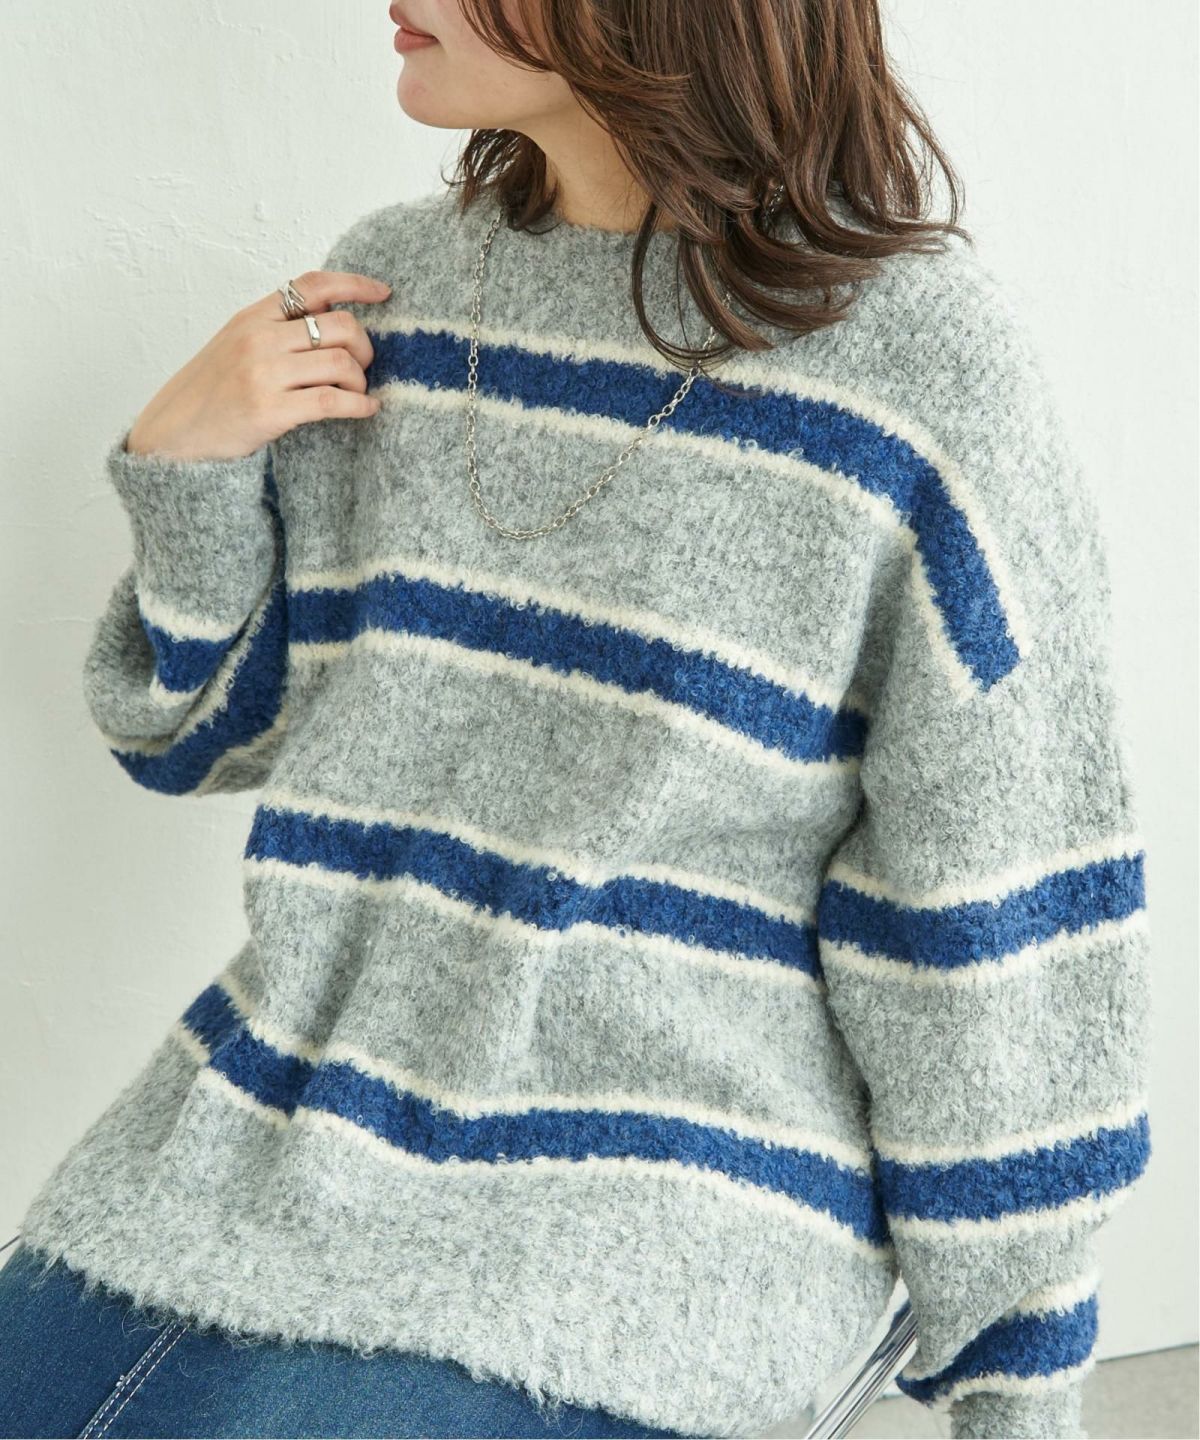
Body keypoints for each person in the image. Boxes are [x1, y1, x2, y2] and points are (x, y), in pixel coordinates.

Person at [0, 0, 1153, 1437]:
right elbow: (188, 735)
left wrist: (1016, 1377)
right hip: (266, 1120)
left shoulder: (918, 368)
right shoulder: (398, 292)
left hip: (668, 1195)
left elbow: (991, 902)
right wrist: (187, 466)